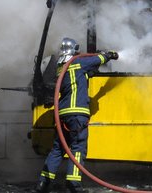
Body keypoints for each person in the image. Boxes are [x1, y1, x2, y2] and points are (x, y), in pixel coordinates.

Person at [35, 37, 118, 193]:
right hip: (77, 115)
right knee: (78, 148)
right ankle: (73, 184)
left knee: (58, 149)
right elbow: (99, 59)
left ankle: (43, 183)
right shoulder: (78, 63)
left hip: (63, 115)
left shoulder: (61, 68)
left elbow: (81, 77)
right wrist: (109, 54)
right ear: (74, 51)